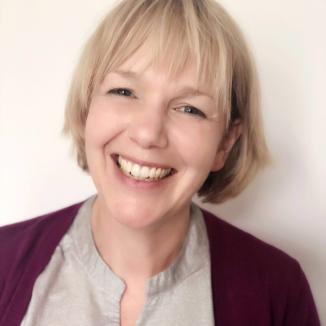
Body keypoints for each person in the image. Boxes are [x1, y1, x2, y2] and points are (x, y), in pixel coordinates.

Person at [0, 0, 320, 325]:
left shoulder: (278, 290)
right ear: (86, 108)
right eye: (124, 91)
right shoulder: (3, 261)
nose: (148, 133)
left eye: (189, 109)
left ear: (226, 142)